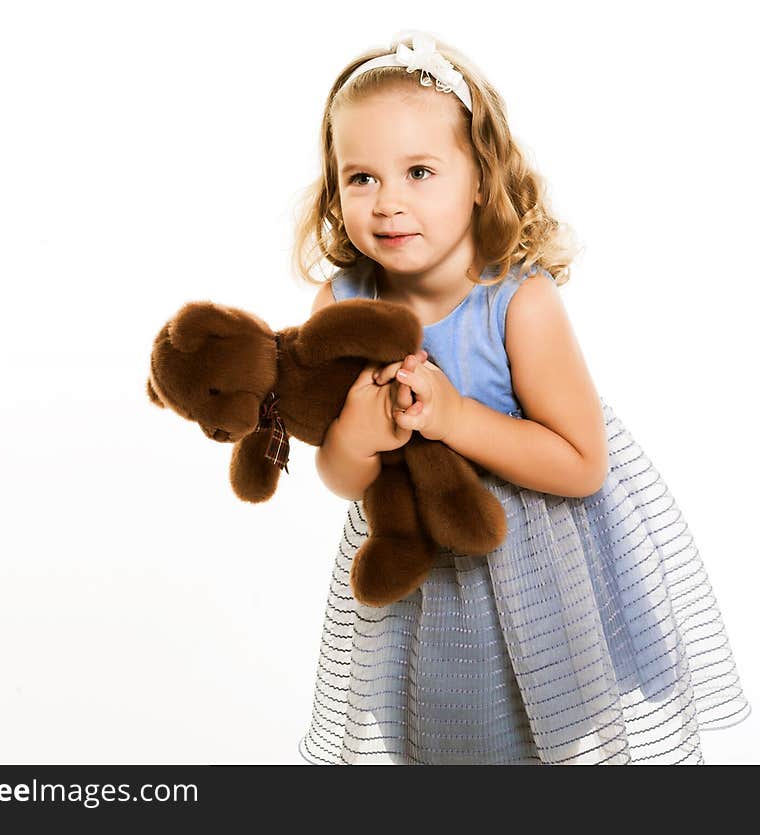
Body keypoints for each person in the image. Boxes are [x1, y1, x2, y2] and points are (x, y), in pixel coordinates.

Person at [291, 30, 751, 765]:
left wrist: (455, 416)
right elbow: (341, 480)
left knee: (533, 741)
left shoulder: (517, 302)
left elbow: (581, 463)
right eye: (361, 178)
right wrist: (354, 432)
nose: (388, 204)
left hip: (530, 567)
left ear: (480, 177)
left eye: (418, 171)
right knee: (431, 737)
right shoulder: (342, 304)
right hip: (420, 583)